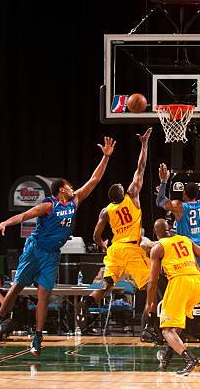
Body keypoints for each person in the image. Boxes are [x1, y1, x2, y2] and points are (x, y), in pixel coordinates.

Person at [0, 136, 115, 357]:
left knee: (44, 294)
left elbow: (94, 180)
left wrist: (105, 157)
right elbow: (25, 215)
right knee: (17, 287)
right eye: (69, 186)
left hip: (52, 255)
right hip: (35, 249)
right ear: (62, 189)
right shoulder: (48, 205)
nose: (74, 187)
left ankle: (37, 338)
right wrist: (4, 223)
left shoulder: (75, 201)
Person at [77, 129, 151, 330]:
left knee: (107, 283)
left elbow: (95, 235)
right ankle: (151, 323)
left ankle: (88, 302)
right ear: (121, 192)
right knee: (150, 283)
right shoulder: (132, 195)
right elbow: (141, 167)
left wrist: (102, 244)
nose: (120, 182)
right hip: (130, 249)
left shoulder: (106, 211)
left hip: (115, 250)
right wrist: (144, 144)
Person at [155, 162, 200, 354]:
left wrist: (163, 181)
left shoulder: (179, 206)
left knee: (185, 296)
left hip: (192, 252)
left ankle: (176, 336)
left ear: (184, 194)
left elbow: (160, 201)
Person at [145, 219, 200, 375]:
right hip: (198, 283)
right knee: (177, 325)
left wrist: (150, 302)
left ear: (156, 233)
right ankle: (166, 359)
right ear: (169, 229)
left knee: (167, 329)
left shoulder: (157, 248)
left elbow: (152, 280)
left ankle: (192, 361)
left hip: (180, 283)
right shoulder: (185, 239)